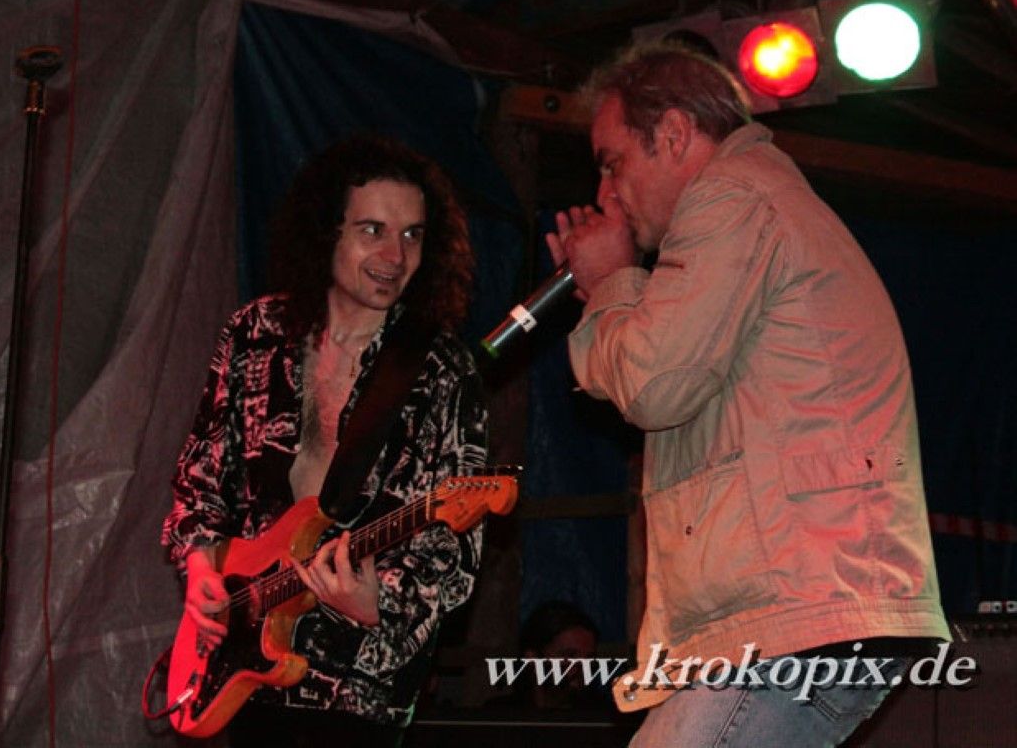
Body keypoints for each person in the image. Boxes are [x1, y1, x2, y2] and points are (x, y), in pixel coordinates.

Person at [545, 42, 950, 747]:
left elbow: (654, 383)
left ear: (673, 133)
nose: (606, 193)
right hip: (801, 601)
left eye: (613, 163)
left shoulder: (733, 197)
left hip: (798, 607)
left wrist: (610, 285)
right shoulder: (758, 205)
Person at [162, 134, 489, 748]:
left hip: (356, 687)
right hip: (240, 675)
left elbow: (453, 552)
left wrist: (377, 603)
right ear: (326, 232)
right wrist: (202, 570)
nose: (395, 255)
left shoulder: (440, 369)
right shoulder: (255, 334)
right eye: (372, 231)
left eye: (413, 235)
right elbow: (200, 481)